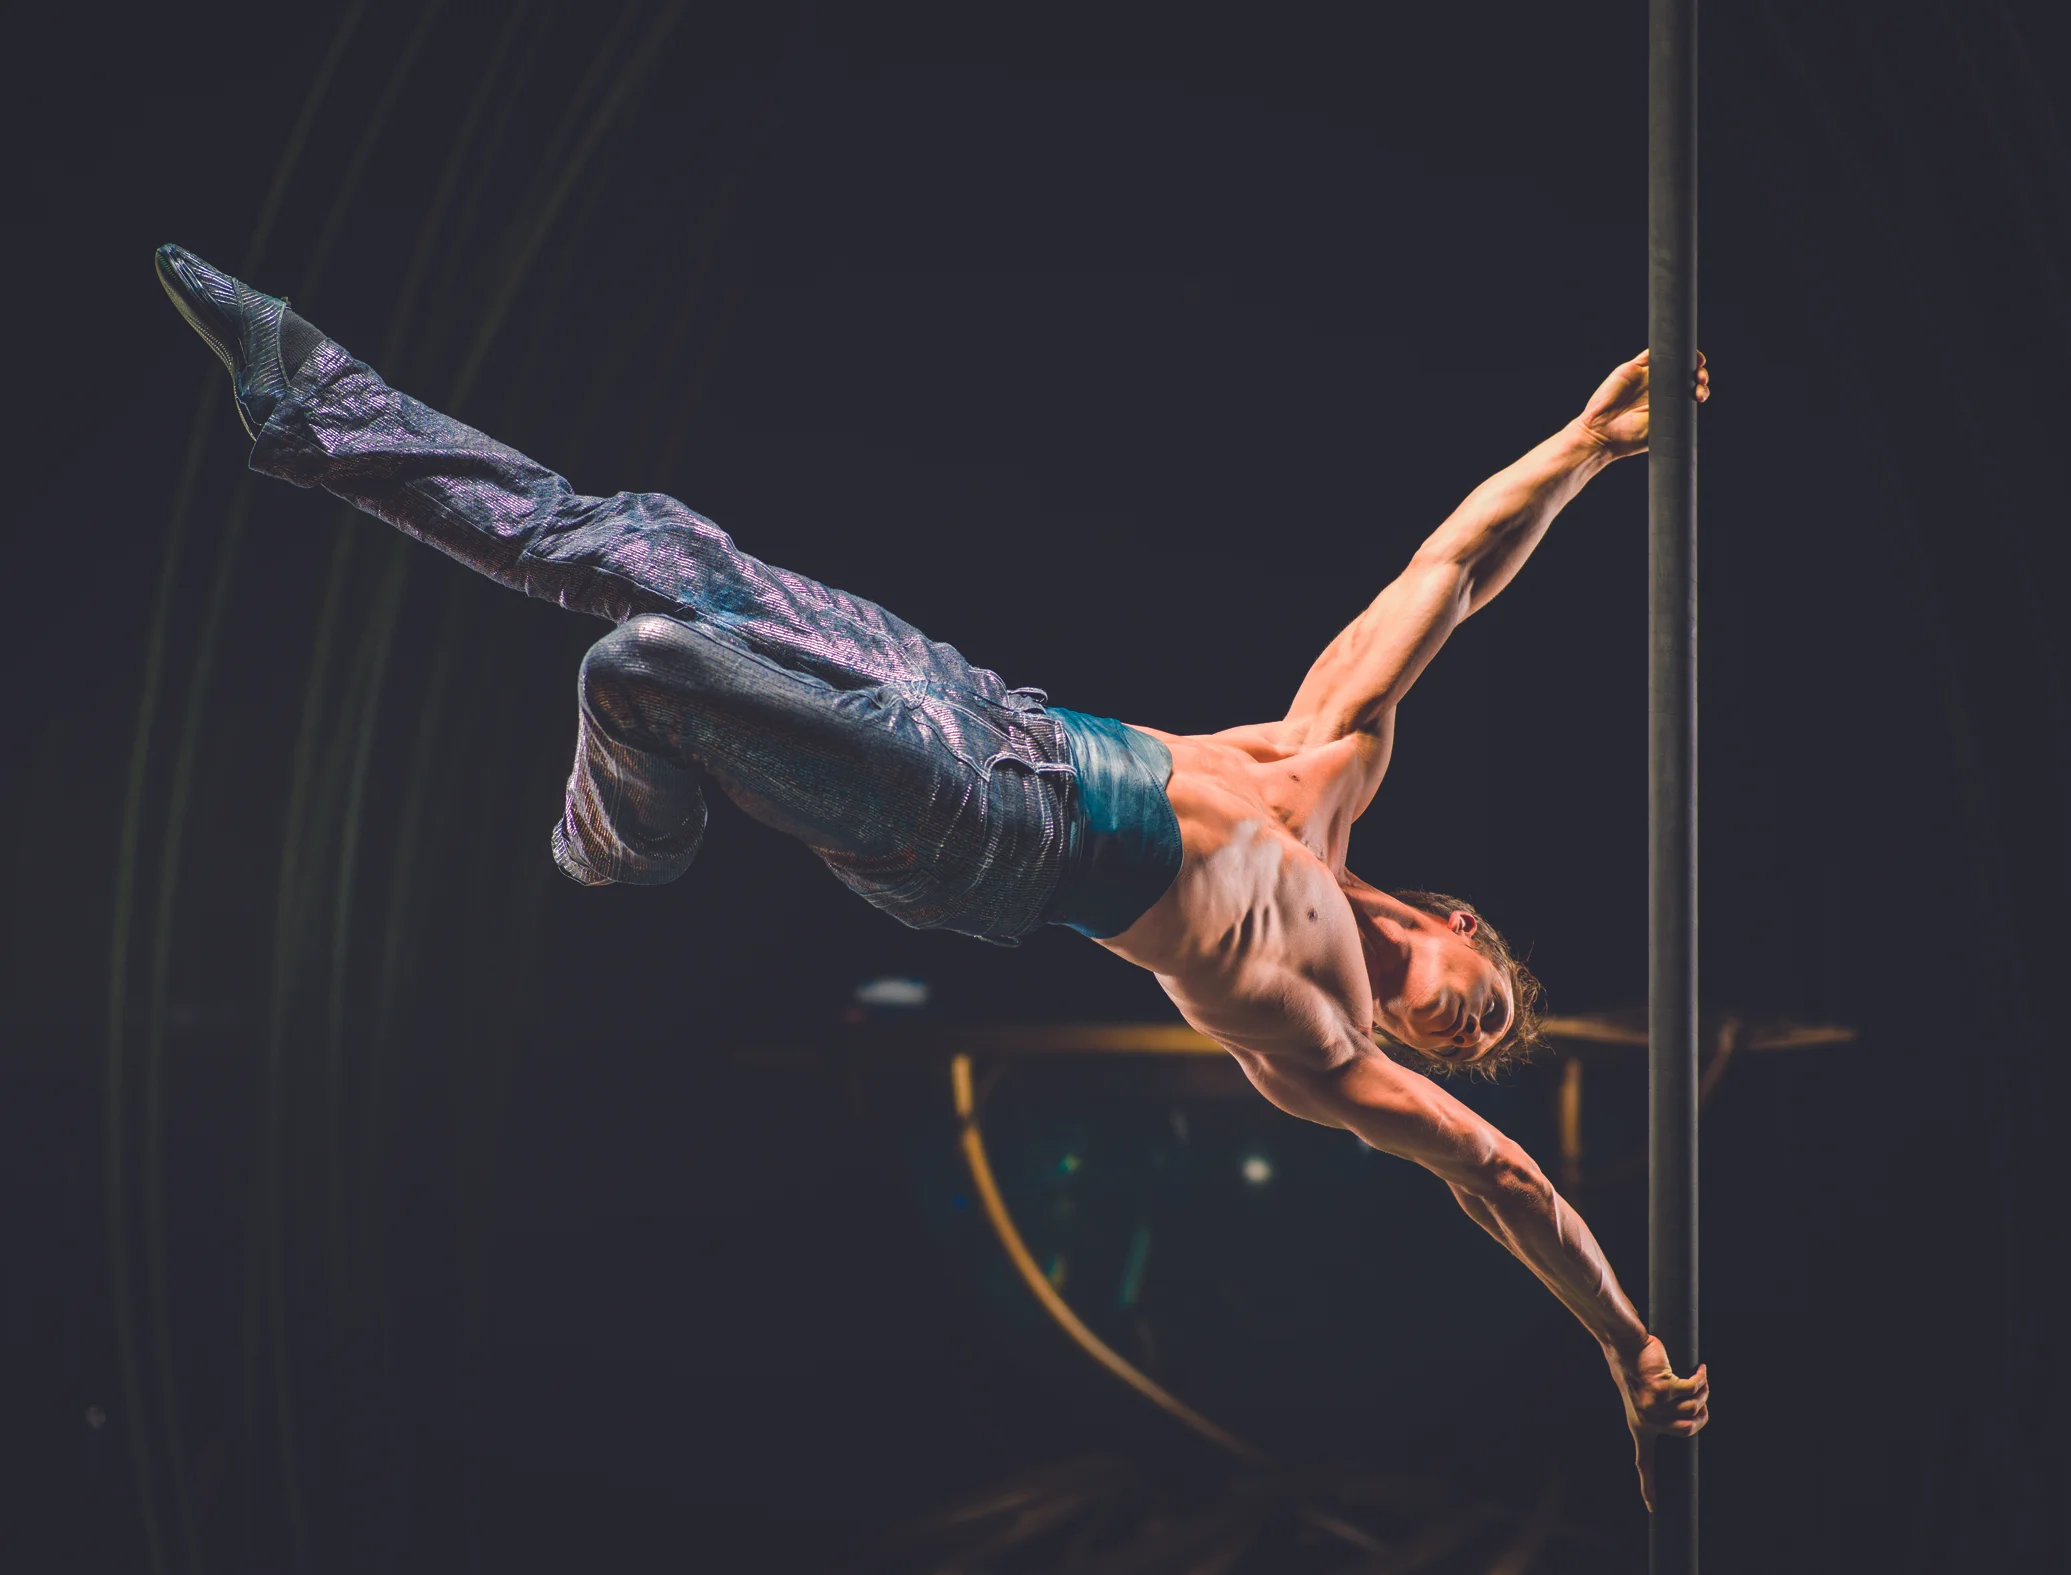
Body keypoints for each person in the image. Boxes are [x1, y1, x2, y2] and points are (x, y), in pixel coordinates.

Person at [156, 243, 1710, 1503]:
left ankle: (621, 841)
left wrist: (1629, 1350)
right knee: (635, 544)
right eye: (1486, 1001)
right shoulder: (1324, 756)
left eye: (1472, 1047)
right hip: (978, 704)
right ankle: (311, 405)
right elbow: (1452, 570)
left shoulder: (1323, 1052)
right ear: (1459, 923)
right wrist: (1585, 446)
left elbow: (1507, 1186)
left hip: (983, 836)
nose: (1467, 1033)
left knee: (639, 668)